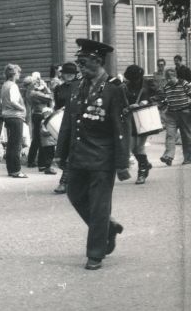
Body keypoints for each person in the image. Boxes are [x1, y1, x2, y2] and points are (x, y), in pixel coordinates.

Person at [55, 38, 131, 271]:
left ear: (97, 61)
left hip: (102, 157)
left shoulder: (114, 89)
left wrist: (122, 163)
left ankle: (95, 253)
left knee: (99, 206)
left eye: (83, 61)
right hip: (78, 155)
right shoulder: (77, 87)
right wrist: (60, 153)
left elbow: (121, 128)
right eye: (79, 60)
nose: (79, 65)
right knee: (75, 195)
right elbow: (68, 122)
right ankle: (107, 229)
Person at [122, 64, 159, 184]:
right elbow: (121, 102)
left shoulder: (148, 83)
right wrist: (127, 107)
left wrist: (147, 101)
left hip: (145, 117)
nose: (134, 81)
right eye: (131, 79)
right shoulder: (125, 86)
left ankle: (142, 172)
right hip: (131, 119)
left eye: (136, 78)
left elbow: (161, 96)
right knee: (132, 148)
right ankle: (146, 164)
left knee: (140, 146)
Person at [154, 67, 191, 165]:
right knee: (170, 135)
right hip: (171, 114)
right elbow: (165, 99)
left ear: (176, 76)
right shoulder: (166, 87)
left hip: (184, 113)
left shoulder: (184, 84)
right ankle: (168, 156)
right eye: (167, 79)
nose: (169, 81)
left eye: (170, 78)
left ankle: (188, 158)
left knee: (186, 136)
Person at [53, 62, 79, 194]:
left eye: (71, 73)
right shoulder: (59, 88)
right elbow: (56, 105)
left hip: (75, 121)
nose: (68, 75)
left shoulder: (79, 86)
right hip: (62, 122)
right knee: (61, 155)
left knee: (71, 152)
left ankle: (63, 182)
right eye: (66, 73)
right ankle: (73, 178)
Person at [0, 64, 27, 178]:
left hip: (7, 116)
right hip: (15, 117)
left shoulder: (4, 85)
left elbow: (2, 101)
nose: (19, 75)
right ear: (14, 74)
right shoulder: (13, 86)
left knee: (11, 144)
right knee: (16, 144)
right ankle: (16, 170)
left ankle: (11, 169)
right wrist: (23, 108)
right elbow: (14, 101)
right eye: (18, 73)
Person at [26, 72, 53, 171]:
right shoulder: (35, 93)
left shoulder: (30, 91)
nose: (39, 82)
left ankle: (31, 161)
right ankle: (42, 164)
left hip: (36, 114)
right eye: (37, 80)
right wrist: (45, 87)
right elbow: (50, 97)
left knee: (36, 140)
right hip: (41, 115)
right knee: (42, 139)